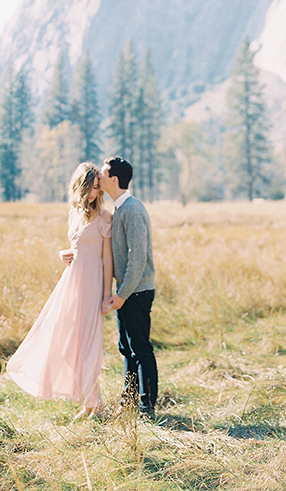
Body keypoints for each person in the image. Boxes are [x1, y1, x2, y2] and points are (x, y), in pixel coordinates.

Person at [6, 162, 113, 417]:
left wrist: (107, 293)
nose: (93, 193)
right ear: (80, 186)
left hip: (92, 281)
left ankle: (93, 403)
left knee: (87, 341)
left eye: (97, 188)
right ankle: (88, 400)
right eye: (90, 187)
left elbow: (107, 258)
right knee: (64, 338)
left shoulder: (105, 217)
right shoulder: (74, 213)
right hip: (72, 280)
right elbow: (74, 246)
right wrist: (62, 254)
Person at [101, 156, 158, 419]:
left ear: (114, 179)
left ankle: (147, 408)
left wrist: (122, 294)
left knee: (140, 349)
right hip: (127, 291)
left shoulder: (132, 209)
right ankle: (129, 401)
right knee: (127, 348)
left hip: (136, 291)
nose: (98, 178)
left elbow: (137, 257)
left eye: (102, 174)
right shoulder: (120, 208)